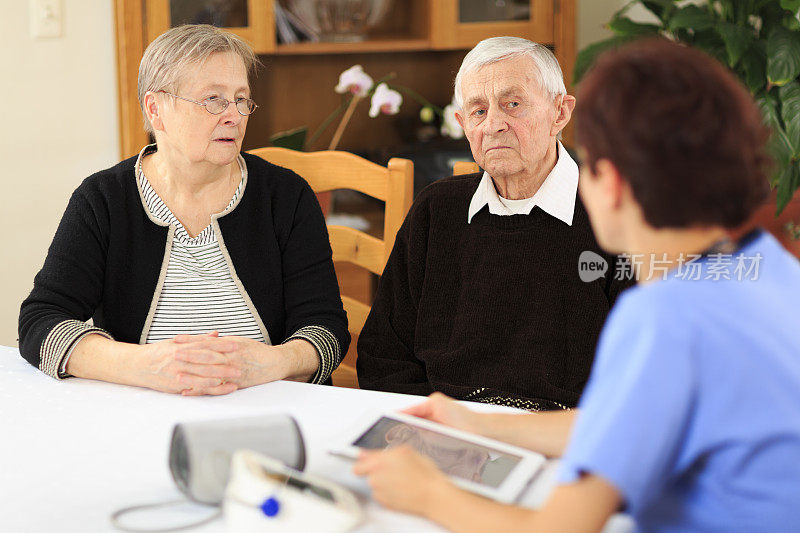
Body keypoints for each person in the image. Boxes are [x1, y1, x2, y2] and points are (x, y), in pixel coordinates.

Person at [353, 39, 800, 532]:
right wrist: (477, 422)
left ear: (610, 180)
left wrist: (428, 494)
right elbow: (622, 419)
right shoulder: (768, 268)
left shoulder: (664, 319)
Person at [18, 25, 348, 395]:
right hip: (141, 409)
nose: (234, 117)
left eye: (242, 99)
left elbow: (326, 329)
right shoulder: (104, 199)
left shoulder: (286, 195)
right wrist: (146, 366)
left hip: (268, 403)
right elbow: (41, 322)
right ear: (156, 109)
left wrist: (268, 363)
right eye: (213, 100)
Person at [357, 36, 631, 410]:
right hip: (444, 433)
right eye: (478, 111)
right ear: (462, 124)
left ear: (561, 112)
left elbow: (640, 383)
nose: (493, 125)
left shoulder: (619, 216)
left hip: (565, 438)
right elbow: (384, 358)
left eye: (512, 104)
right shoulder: (437, 209)